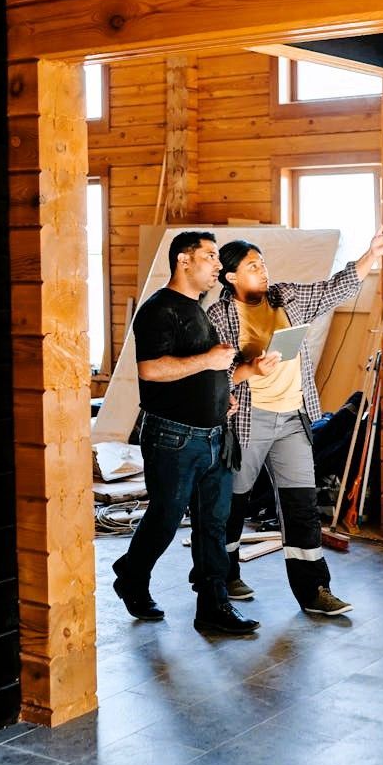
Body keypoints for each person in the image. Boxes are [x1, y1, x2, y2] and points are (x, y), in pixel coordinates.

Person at [208, 222, 383, 615]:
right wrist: (251, 368)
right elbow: (212, 372)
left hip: (293, 419)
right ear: (230, 277)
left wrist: (373, 254)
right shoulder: (218, 316)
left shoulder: (288, 297)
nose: (262, 271)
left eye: (262, 263)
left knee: (300, 504)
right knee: (233, 502)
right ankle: (223, 574)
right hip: (248, 420)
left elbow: (336, 287)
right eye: (251, 266)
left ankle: (314, 591)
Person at [111, 231, 259, 634]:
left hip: (213, 434)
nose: (217, 265)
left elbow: (202, 371)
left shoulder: (198, 308)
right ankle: (131, 577)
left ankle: (213, 607)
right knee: (165, 518)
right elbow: (151, 369)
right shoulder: (159, 310)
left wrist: (222, 398)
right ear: (183, 260)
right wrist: (210, 359)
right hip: (173, 437)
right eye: (210, 256)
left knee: (214, 523)